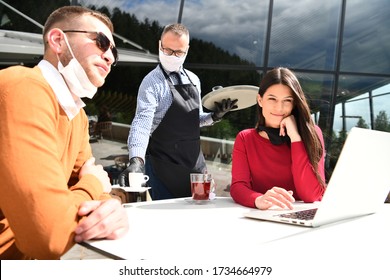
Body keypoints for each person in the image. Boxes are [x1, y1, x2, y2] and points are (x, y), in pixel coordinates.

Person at [0, 6, 128, 259]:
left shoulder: (76, 115)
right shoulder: (21, 86)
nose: (110, 57)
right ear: (58, 40)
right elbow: (51, 235)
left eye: (114, 52)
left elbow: (96, 201)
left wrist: (110, 205)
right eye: (101, 42)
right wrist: (93, 184)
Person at [119, 23, 237, 200]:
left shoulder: (194, 79)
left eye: (179, 52)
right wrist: (136, 159)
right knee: (169, 219)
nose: (173, 56)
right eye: (167, 50)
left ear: (187, 50)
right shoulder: (151, 83)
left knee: (200, 211)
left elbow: (194, 119)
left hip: (195, 165)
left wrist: (214, 116)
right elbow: (142, 123)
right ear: (159, 45)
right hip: (164, 168)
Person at [230, 67, 326, 210]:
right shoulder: (246, 138)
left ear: (294, 104)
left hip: (301, 216)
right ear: (260, 100)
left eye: (287, 100)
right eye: (272, 99)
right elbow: (238, 187)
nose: (279, 108)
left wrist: (296, 138)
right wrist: (258, 199)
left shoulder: (312, 133)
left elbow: (311, 195)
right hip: (262, 216)